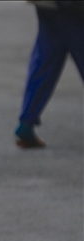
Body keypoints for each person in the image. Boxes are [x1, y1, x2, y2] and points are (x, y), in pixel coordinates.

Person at [14, 1, 84, 148]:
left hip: (46, 4)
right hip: (73, 8)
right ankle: (26, 122)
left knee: (45, 60)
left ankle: (26, 122)